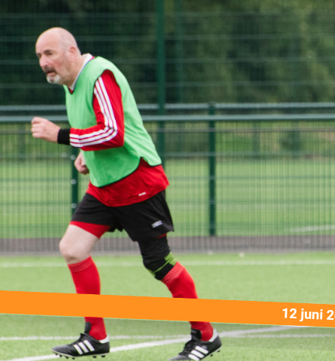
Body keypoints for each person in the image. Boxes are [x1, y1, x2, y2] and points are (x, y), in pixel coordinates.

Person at [31, 27, 221, 360]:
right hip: (105, 187)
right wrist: (85, 155)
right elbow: (97, 130)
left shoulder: (99, 74)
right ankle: (96, 336)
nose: (44, 63)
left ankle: (205, 335)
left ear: (72, 51)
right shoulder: (70, 84)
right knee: (73, 249)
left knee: (158, 263)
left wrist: (60, 135)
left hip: (137, 182)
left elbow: (113, 132)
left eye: (50, 54)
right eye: (39, 57)